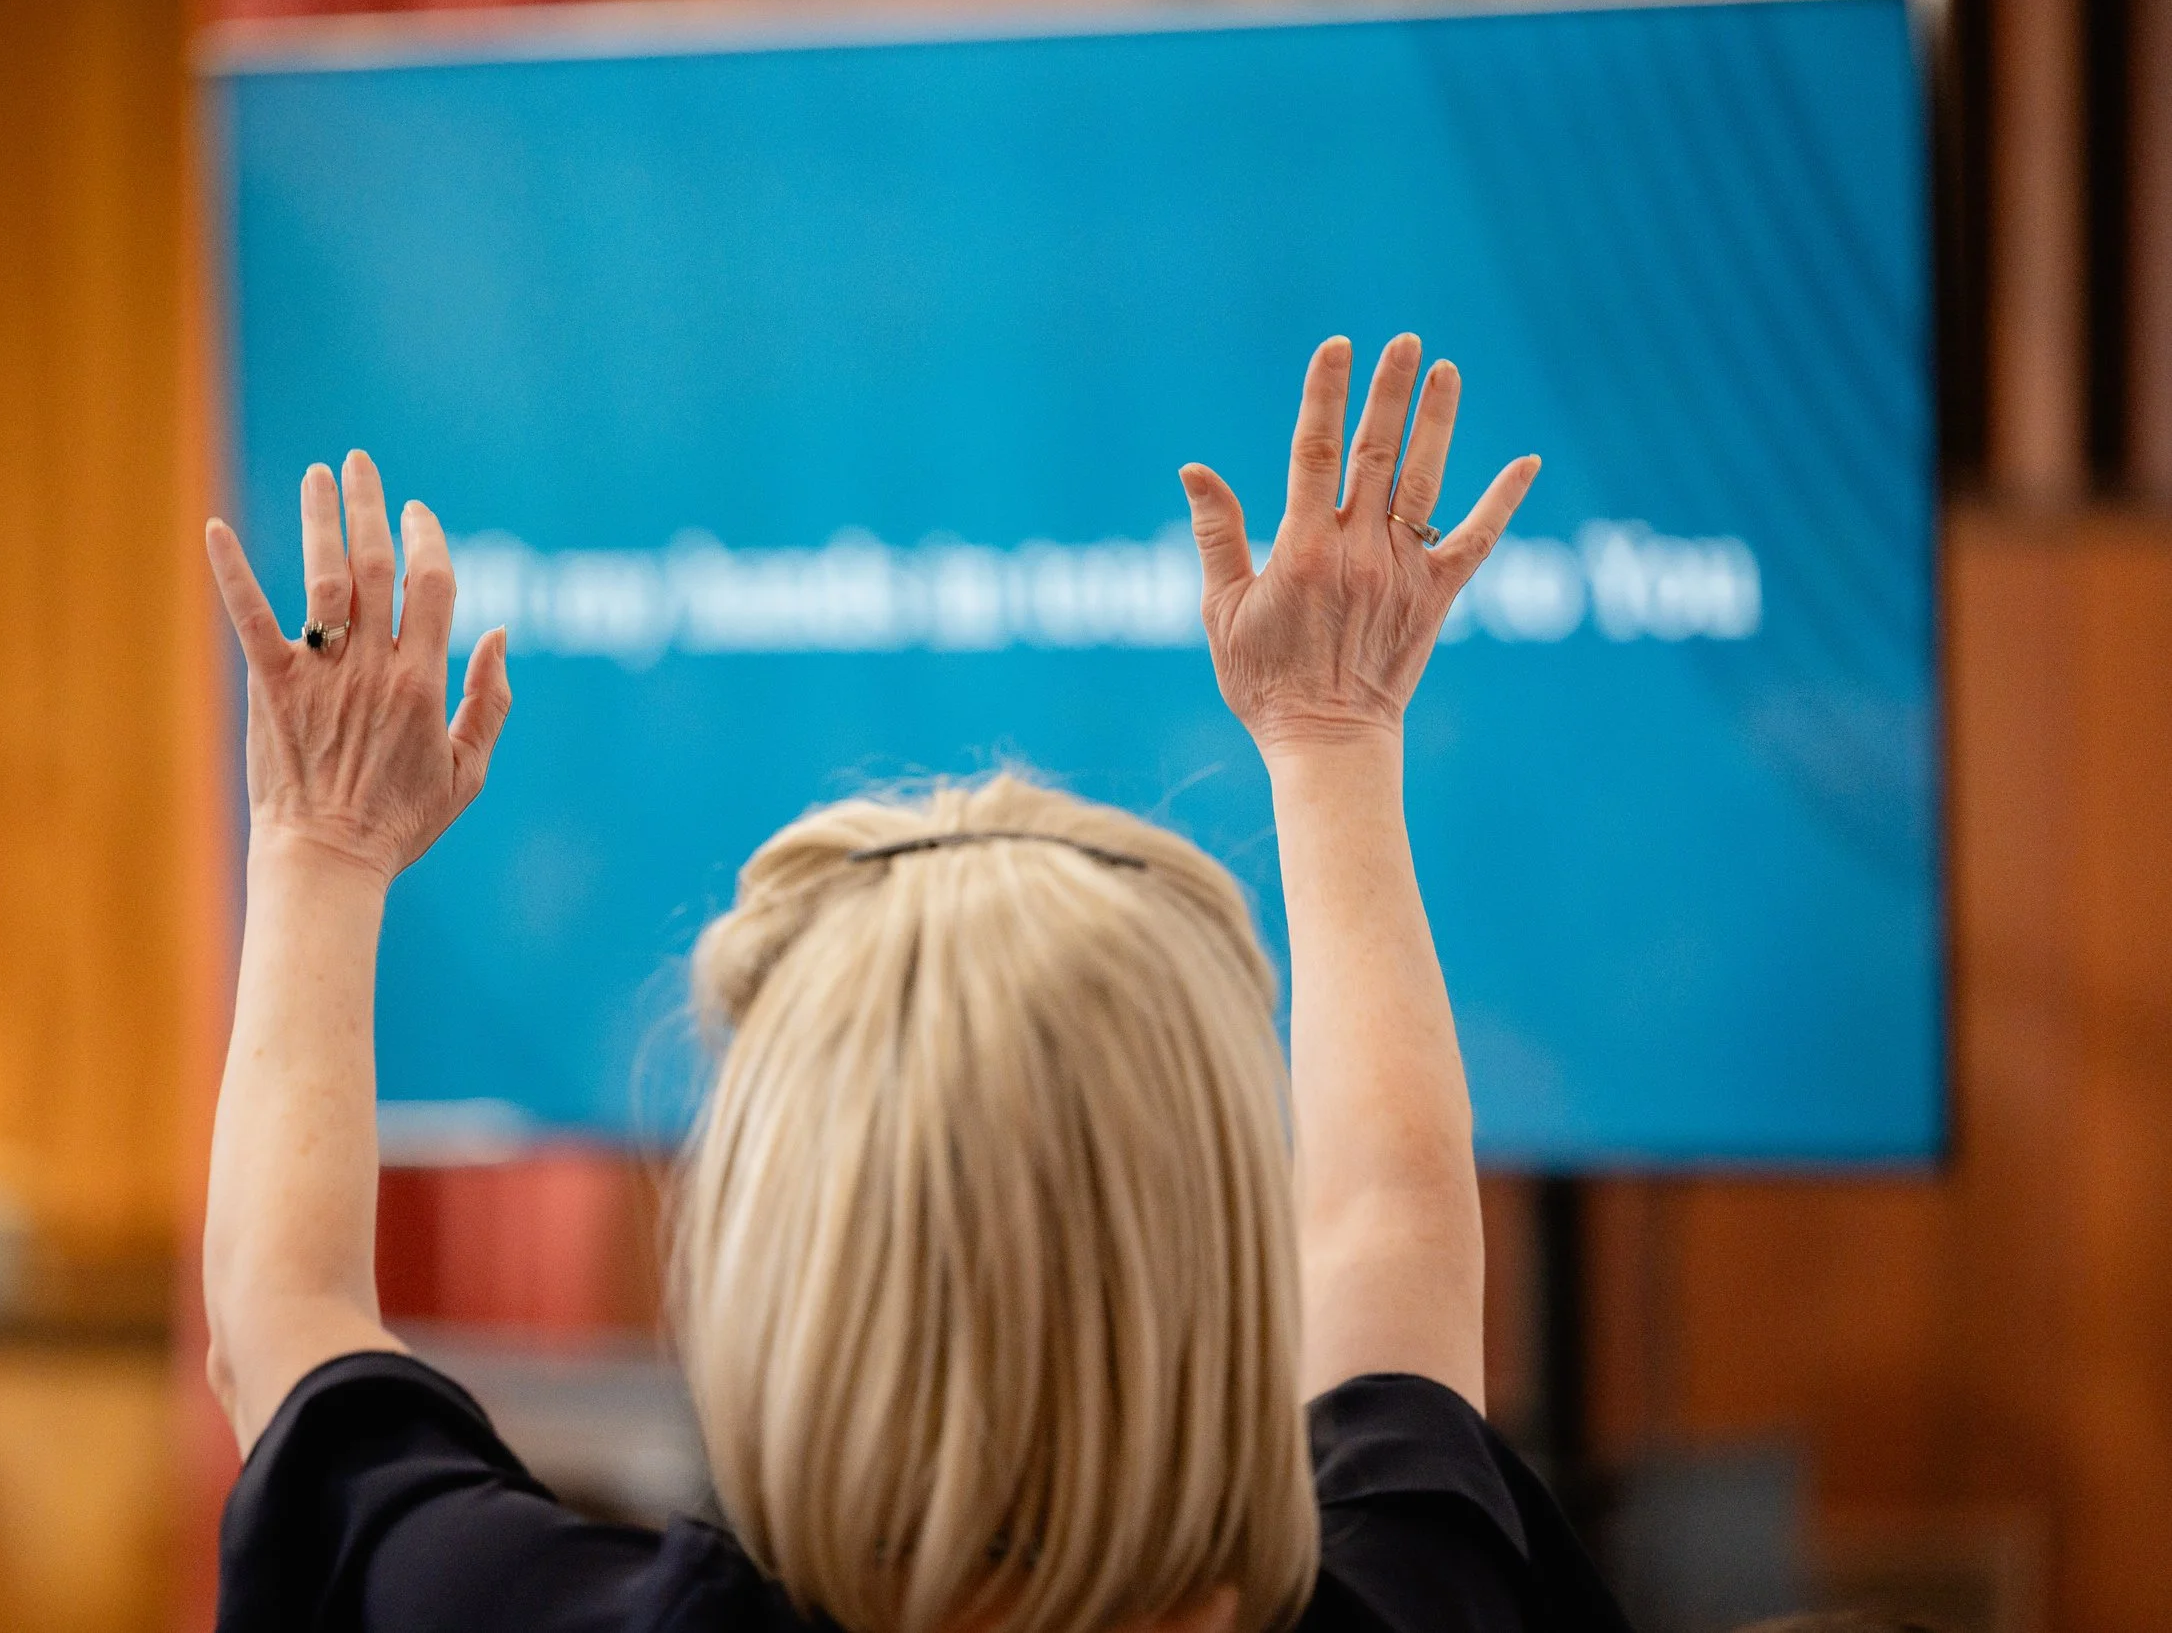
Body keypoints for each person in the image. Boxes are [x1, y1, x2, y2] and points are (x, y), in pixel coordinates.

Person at [200, 334, 1631, 1633]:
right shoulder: (1413, 1594)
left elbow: (282, 1317)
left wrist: (320, 847)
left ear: (772, 1267)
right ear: (1217, 1249)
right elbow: (1394, 1217)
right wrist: (1335, 740)